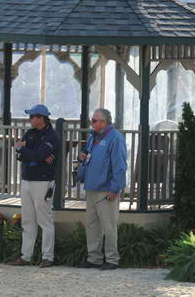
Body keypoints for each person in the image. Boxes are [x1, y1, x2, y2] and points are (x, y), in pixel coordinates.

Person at [8, 104, 60, 268]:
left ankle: (48, 257)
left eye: (32, 116)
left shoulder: (52, 136)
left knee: (44, 220)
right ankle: (26, 256)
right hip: (27, 181)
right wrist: (32, 155)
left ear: (41, 118)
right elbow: (19, 153)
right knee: (28, 220)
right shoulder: (29, 133)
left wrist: (28, 153)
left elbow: (35, 155)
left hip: (43, 182)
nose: (30, 119)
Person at [76, 108, 127, 270]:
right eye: (92, 120)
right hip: (91, 187)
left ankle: (112, 259)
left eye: (94, 120)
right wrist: (81, 156)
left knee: (109, 225)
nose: (91, 123)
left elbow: (119, 166)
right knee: (92, 225)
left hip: (106, 190)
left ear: (104, 122)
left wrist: (114, 188)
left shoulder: (115, 138)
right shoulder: (94, 137)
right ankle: (94, 258)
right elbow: (88, 155)